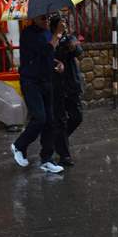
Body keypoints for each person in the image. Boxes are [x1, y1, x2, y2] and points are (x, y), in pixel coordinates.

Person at [10, 14, 64, 173]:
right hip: (31, 82)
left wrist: (58, 63)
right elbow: (46, 49)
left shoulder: (47, 32)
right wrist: (58, 34)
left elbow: (47, 55)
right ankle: (19, 145)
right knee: (39, 118)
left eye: (47, 18)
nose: (46, 21)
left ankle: (47, 159)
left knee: (50, 121)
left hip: (46, 80)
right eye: (42, 19)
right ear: (33, 18)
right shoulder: (28, 34)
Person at [50, 15, 83, 166]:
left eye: (65, 23)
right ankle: (64, 155)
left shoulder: (70, 38)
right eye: (61, 23)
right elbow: (49, 54)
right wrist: (57, 36)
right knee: (60, 121)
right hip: (57, 86)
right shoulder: (50, 40)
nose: (64, 25)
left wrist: (71, 43)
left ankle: (59, 140)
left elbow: (78, 52)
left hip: (72, 84)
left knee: (77, 117)